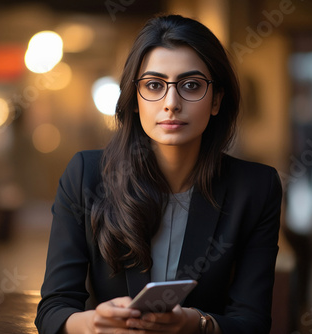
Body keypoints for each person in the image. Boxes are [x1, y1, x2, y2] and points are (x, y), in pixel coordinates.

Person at [35, 14, 282, 334]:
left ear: (217, 99)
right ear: (135, 99)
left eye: (191, 85)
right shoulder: (86, 176)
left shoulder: (255, 188)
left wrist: (196, 323)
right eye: (154, 85)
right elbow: (53, 310)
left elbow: (253, 322)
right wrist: (93, 324)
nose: (171, 103)